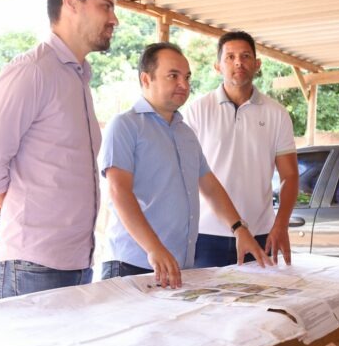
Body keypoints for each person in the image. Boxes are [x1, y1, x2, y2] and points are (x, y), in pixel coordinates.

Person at [0, 0, 119, 298]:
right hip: (34, 264)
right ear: (71, 4)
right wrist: (27, 215)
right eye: (106, 6)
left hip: (76, 261)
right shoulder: (33, 72)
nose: (114, 19)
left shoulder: (78, 76)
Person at [183, 31, 299, 346]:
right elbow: (189, 173)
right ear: (217, 64)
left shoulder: (276, 113)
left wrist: (280, 224)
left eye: (246, 56)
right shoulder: (197, 111)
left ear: (257, 64)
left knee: (246, 325)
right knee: (204, 322)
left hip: (259, 235)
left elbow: (290, 176)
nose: (238, 63)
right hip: (205, 235)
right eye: (230, 56)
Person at [99, 42, 271, 289]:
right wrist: (154, 248)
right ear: (146, 79)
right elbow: (119, 192)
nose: (184, 84)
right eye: (173, 76)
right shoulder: (125, 125)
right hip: (133, 264)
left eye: (187, 77)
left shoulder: (186, 133)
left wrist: (239, 229)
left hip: (178, 267)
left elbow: (209, 186)